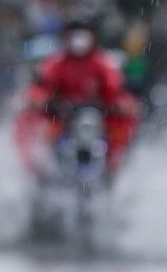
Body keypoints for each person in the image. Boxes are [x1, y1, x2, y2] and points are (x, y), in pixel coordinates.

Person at [16, 17, 138, 175]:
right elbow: (42, 87)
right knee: (29, 122)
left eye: (83, 35)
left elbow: (116, 91)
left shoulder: (103, 62)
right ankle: (37, 170)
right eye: (75, 35)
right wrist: (40, 100)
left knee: (124, 124)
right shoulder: (56, 63)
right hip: (63, 118)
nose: (79, 41)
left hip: (97, 120)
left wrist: (121, 104)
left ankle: (115, 167)